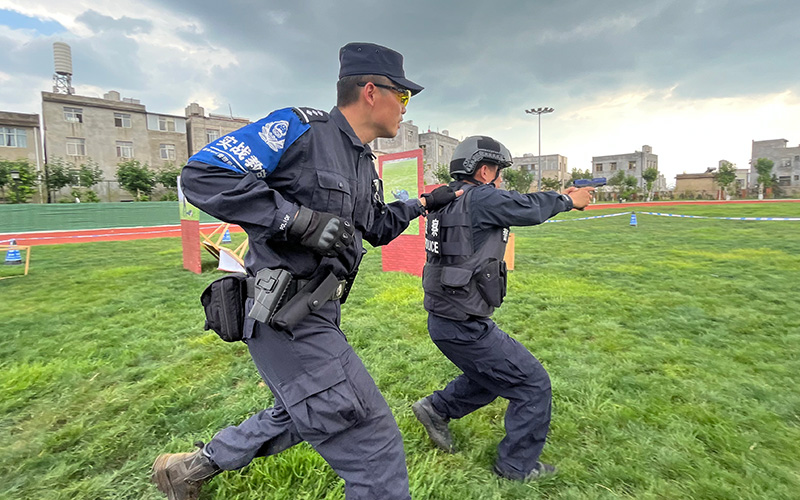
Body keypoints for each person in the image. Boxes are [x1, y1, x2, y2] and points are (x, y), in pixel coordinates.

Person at [151, 42, 455, 500]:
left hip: (314, 312)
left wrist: (424, 202)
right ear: (371, 91)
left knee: (306, 411)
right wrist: (296, 219)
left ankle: (188, 470)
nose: (406, 106)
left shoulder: (361, 161)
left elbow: (374, 226)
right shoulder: (299, 129)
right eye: (404, 96)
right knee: (375, 449)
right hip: (284, 316)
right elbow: (202, 174)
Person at [411, 135, 594, 481]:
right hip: (462, 322)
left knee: (494, 375)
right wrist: (568, 200)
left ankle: (436, 409)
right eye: (497, 171)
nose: (498, 179)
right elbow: (527, 207)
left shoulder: (447, 198)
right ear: (483, 170)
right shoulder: (480, 198)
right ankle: (515, 467)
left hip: (448, 316)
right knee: (532, 383)